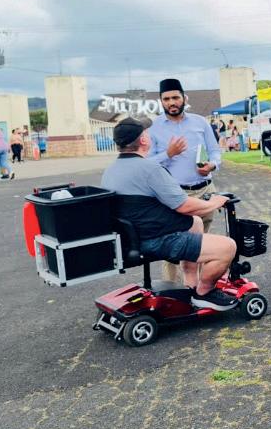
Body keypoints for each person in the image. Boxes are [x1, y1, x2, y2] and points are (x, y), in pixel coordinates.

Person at [102, 117, 238, 309]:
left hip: (134, 237)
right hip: (156, 239)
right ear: (143, 140)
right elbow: (184, 205)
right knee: (228, 247)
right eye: (146, 132)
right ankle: (204, 292)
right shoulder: (150, 169)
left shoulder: (111, 170)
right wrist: (214, 203)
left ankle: (191, 284)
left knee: (195, 222)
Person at [147, 78, 223, 284]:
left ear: (184, 98)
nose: (171, 102)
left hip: (205, 191)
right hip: (174, 195)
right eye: (166, 99)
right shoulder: (153, 127)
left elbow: (215, 151)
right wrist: (168, 154)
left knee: (202, 246)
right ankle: (171, 294)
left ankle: (199, 292)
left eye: (175, 97)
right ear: (161, 101)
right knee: (172, 248)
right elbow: (146, 164)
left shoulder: (200, 122)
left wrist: (212, 165)